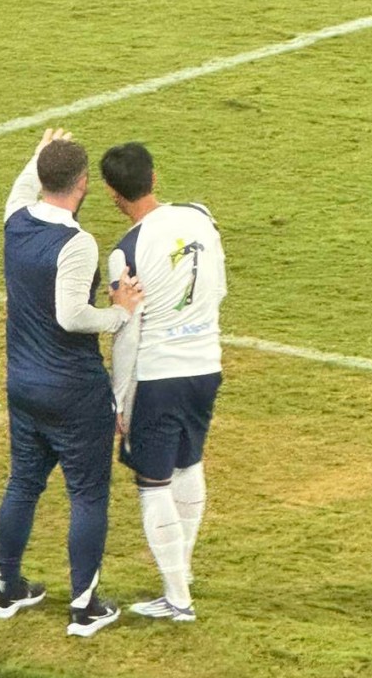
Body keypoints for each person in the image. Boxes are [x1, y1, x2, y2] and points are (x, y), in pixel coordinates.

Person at [0, 128, 142, 638]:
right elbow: (72, 315)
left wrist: (40, 153)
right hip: (73, 390)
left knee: (23, 484)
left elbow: (22, 185)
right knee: (88, 495)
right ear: (82, 184)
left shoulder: (15, 219)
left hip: (23, 384)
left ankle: (7, 588)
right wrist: (119, 314)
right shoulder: (77, 243)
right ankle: (84, 607)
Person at [101, 142, 226, 622]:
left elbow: (127, 332)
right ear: (154, 177)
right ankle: (182, 573)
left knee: (153, 483)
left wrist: (118, 400)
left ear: (112, 194)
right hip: (206, 363)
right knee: (189, 463)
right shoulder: (200, 215)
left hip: (158, 375)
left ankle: (178, 599)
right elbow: (219, 286)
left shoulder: (125, 253)